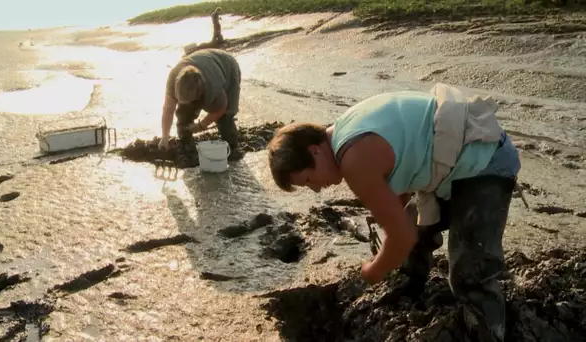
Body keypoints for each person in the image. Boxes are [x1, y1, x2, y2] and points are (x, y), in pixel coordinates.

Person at [266, 83, 521, 342]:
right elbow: (403, 174)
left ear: (314, 150)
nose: (316, 190)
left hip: (485, 160)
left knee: (470, 272)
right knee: (415, 222)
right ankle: (410, 288)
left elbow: (402, 236)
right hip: (453, 161)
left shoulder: (354, 159)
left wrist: (375, 269)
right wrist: (392, 224)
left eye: (309, 180)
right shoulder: (345, 130)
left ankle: (489, 333)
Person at [158, 48, 241, 151]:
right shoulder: (173, 78)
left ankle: (232, 147)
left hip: (228, 66)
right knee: (184, 113)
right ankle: (185, 142)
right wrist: (165, 136)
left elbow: (221, 108)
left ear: (199, 94)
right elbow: (168, 109)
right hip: (204, 62)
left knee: (225, 118)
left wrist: (202, 125)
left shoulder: (213, 87)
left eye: (190, 100)